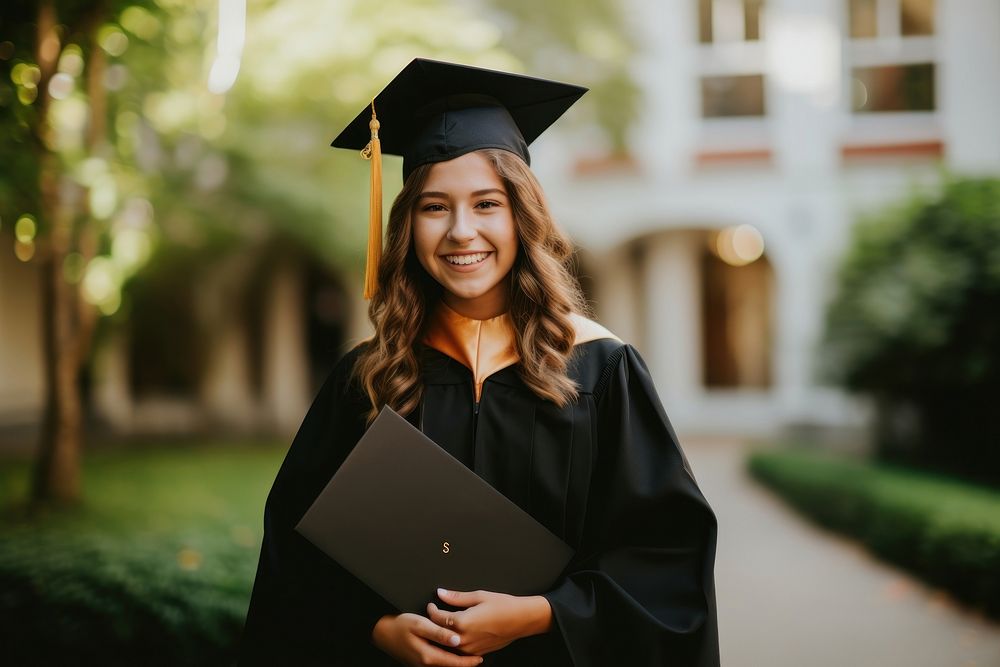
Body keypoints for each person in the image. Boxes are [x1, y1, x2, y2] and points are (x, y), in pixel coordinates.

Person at [238, 58, 720, 667]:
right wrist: (378, 628)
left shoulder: (599, 371)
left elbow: (665, 561)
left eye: (487, 203)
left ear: (522, 215)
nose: (462, 231)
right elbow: (295, 556)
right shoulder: (367, 380)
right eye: (434, 207)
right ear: (406, 224)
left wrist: (541, 614)